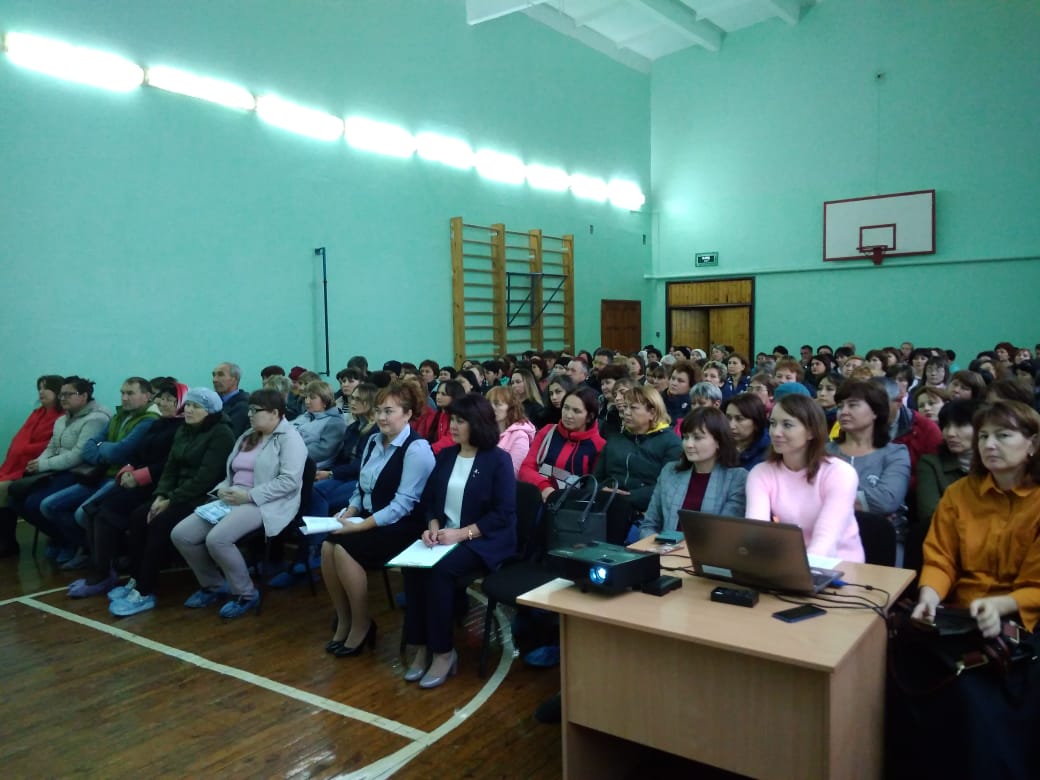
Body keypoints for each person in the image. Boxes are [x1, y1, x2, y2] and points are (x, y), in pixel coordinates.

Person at [897, 400, 1040, 780]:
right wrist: (929, 595)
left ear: (1032, 444)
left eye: (1003, 435)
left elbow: (1036, 585)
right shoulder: (960, 494)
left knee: (975, 693)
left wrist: (1001, 605)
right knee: (900, 657)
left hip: (1024, 620)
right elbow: (941, 558)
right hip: (961, 615)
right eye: (985, 436)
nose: (989, 444)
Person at [402, 395, 517, 688]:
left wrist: (462, 533)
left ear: (478, 424)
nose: (453, 426)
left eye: (460, 421)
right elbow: (430, 501)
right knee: (413, 566)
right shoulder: (447, 456)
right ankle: (421, 646)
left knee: (440, 571)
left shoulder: (498, 460)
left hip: (483, 539)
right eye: (452, 419)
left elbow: (503, 513)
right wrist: (432, 526)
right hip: (445, 535)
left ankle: (443, 651)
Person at [167, 388, 307, 619]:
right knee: (181, 534)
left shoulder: (290, 439)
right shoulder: (248, 435)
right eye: (249, 409)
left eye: (255, 410)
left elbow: (289, 482)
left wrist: (249, 496)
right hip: (234, 497)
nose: (249, 414)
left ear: (275, 413)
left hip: (266, 502)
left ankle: (246, 594)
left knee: (218, 539)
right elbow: (231, 473)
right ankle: (213, 585)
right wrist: (222, 489)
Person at [321, 381, 435, 656]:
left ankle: (362, 623)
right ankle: (344, 618)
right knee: (327, 545)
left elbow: (403, 505)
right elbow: (361, 488)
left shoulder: (416, 449)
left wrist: (362, 526)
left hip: (404, 526)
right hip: (371, 517)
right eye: (379, 411)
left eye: (389, 411)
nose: (381, 417)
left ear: (407, 414)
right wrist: (350, 512)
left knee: (345, 549)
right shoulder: (373, 441)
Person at [106, 387, 235, 615]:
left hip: (202, 497)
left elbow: (205, 478)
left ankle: (145, 591)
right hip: (175, 494)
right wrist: (161, 495)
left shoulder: (221, 434)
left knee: (159, 523)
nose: (189, 410)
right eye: (188, 405)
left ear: (210, 411)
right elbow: (170, 468)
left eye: (196, 406)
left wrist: (170, 500)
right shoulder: (184, 429)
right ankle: (136, 578)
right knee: (138, 517)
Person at [66, 381, 188, 597]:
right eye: (161, 398)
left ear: (182, 403)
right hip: (135, 480)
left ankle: (102, 574)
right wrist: (128, 470)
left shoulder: (182, 428)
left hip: (156, 486)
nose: (163, 403)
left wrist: (138, 477)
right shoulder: (158, 424)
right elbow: (136, 453)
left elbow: (170, 465)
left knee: (106, 514)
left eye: (170, 399)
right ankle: (101, 568)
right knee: (92, 509)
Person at [745, 394, 864, 561]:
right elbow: (757, 530)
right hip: (788, 562)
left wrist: (800, 571)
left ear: (811, 432)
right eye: (772, 423)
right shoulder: (760, 472)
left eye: (787, 425)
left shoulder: (841, 473)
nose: (775, 432)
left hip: (840, 565)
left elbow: (826, 540)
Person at [639, 407, 747, 539]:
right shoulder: (670, 471)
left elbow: (724, 534)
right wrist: (657, 546)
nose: (689, 444)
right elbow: (648, 525)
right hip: (662, 549)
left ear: (718, 442)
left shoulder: (736, 478)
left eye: (697, 438)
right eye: (686, 437)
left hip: (707, 551)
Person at [593, 385, 682, 542]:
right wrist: (603, 490)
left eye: (633, 408)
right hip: (607, 503)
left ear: (652, 412)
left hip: (644, 510)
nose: (626, 412)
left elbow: (668, 488)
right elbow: (596, 478)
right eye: (625, 407)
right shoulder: (615, 439)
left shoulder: (671, 443)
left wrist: (629, 497)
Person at [0, 374, 64, 556]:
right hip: (19, 464)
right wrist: (21, 450)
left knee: (2, 489)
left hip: (37, 467)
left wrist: (23, 450)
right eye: (39, 388)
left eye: (46, 388)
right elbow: (18, 441)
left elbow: (48, 445)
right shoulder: (37, 413)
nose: (41, 392)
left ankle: (7, 543)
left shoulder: (61, 417)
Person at [826, 379, 910, 515]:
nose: (843, 412)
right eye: (840, 406)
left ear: (875, 412)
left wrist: (827, 495)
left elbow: (886, 501)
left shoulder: (896, 453)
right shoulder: (824, 452)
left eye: (853, 405)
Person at [519, 386, 605, 500]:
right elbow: (526, 468)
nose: (568, 415)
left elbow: (593, 487)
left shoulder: (599, 446)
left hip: (571, 507)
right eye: (566, 408)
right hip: (537, 499)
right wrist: (544, 487)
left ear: (589, 417)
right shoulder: (547, 432)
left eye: (576, 411)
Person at [310, 382, 379, 517]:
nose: (353, 402)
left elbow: (361, 464)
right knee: (313, 490)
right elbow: (342, 458)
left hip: (361, 479)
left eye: (358, 399)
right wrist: (329, 472)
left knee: (321, 495)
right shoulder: (353, 427)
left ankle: (321, 528)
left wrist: (331, 474)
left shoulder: (376, 431)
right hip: (344, 475)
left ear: (370, 402)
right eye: (352, 398)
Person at [914, 399, 976, 528]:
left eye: (960, 425)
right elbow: (931, 513)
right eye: (946, 426)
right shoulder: (931, 464)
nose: (950, 433)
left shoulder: (994, 464)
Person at [291, 380, 346, 468]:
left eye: (312, 398)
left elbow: (323, 450)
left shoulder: (335, 422)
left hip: (308, 466)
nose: (307, 401)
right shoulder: (306, 415)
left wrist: (290, 453)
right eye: (306, 397)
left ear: (325, 401)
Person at [486, 385, 535, 476]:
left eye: (497, 404)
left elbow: (511, 474)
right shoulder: (485, 430)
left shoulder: (520, 437)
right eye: (488, 403)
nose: (491, 408)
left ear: (511, 408)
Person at [722, 392, 770, 470]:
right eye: (728, 418)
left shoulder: (768, 453)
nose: (731, 425)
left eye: (739, 419)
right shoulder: (719, 444)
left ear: (756, 422)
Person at [212, 362, 250, 435]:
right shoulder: (212, 402)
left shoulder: (243, 406)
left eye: (220, 375)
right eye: (214, 375)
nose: (214, 380)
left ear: (234, 379)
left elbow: (229, 435)